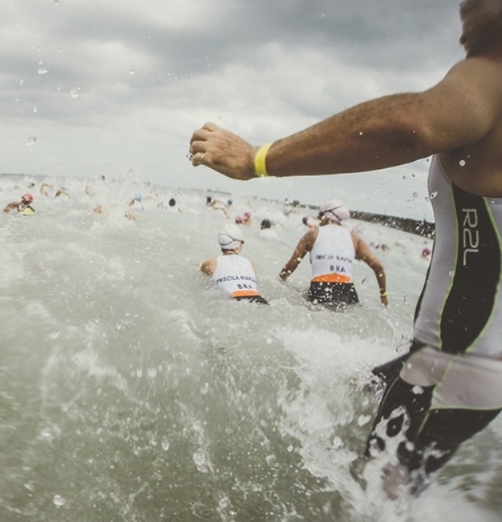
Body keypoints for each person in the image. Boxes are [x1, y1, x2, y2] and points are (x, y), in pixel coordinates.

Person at [189, 0, 502, 495]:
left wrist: (257, 158)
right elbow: (377, 266)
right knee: (361, 390)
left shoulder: (494, 71)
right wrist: (378, 296)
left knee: (377, 502)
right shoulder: (354, 236)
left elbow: (411, 124)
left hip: (454, 363)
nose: (464, 7)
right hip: (476, 370)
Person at [279, 199, 387, 308]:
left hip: (320, 288)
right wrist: (383, 296)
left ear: (326, 215)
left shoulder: (312, 235)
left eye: (320, 215)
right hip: (348, 290)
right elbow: (378, 267)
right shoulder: (354, 238)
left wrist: (280, 280)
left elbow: (292, 264)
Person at [200, 224, 268, 305]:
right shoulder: (251, 263)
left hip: (232, 299)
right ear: (237, 245)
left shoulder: (211, 263)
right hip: (258, 299)